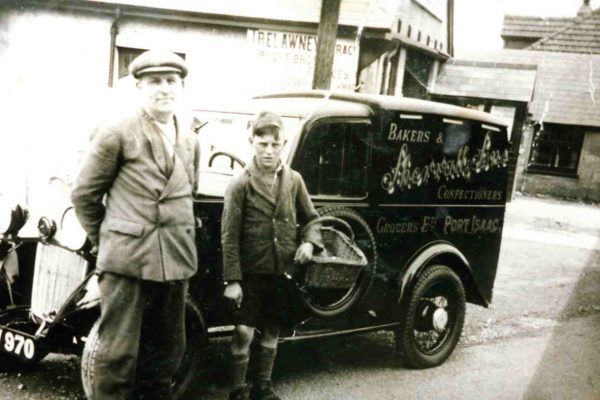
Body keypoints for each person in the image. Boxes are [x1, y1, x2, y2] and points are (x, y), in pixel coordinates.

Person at [71, 49, 200, 400]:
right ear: (140, 88)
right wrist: (109, 239)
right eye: (154, 81)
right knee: (117, 358)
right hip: (127, 261)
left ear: (181, 87)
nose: (164, 89)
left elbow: (187, 196)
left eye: (171, 81)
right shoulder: (118, 130)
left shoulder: (189, 140)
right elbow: (84, 194)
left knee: (167, 355)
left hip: (174, 260)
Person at [221, 111, 322, 400]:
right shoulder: (240, 184)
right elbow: (229, 235)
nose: (268, 151)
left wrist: (310, 244)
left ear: (283, 144)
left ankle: (262, 386)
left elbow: (312, 219)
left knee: (271, 329)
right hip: (250, 274)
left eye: (274, 145)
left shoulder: (294, 180)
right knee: (242, 331)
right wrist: (232, 279)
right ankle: (238, 390)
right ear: (251, 141)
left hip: (282, 271)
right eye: (262, 143)